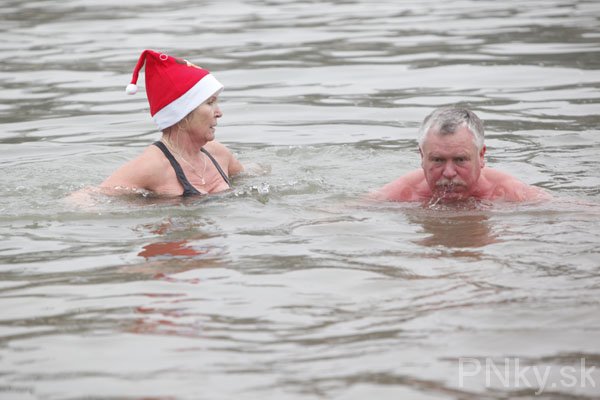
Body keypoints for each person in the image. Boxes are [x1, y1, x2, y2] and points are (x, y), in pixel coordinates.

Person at [100, 49, 243, 196]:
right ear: (182, 114)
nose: (219, 113)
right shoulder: (152, 166)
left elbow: (250, 178)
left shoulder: (219, 154)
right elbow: (92, 196)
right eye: (210, 103)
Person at [371, 106, 550, 203]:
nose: (449, 172)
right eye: (438, 160)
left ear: (481, 156)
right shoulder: (400, 195)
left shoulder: (512, 195)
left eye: (460, 159)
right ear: (422, 157)